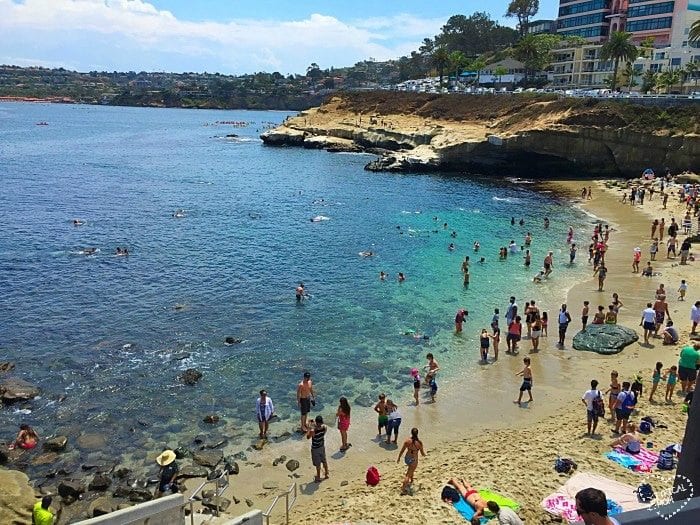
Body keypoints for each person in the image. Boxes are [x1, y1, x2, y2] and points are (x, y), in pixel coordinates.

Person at [397, 428, 426, 494]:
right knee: (408, 474)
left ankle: (412, 480)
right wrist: (425, 455)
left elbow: (402, 451)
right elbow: (422, 453)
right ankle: (403, 489)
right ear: (417, 433)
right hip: (414, 460)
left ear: (411, 433)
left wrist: (399, 458)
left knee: (410, 469)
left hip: (407, 458)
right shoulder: (419, 443)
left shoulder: (407, 441)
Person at [306, 415, 329, 482]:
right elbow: (321, 430)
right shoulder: (324, 428)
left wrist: (309, 428)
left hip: (315, 449)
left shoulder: (313, 431)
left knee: (318, 463)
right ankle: (326, 474)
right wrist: (313, 425)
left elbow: (308, 437)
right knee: (324, 460)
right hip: (322, 447)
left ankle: (318, 477)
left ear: (316, 422)